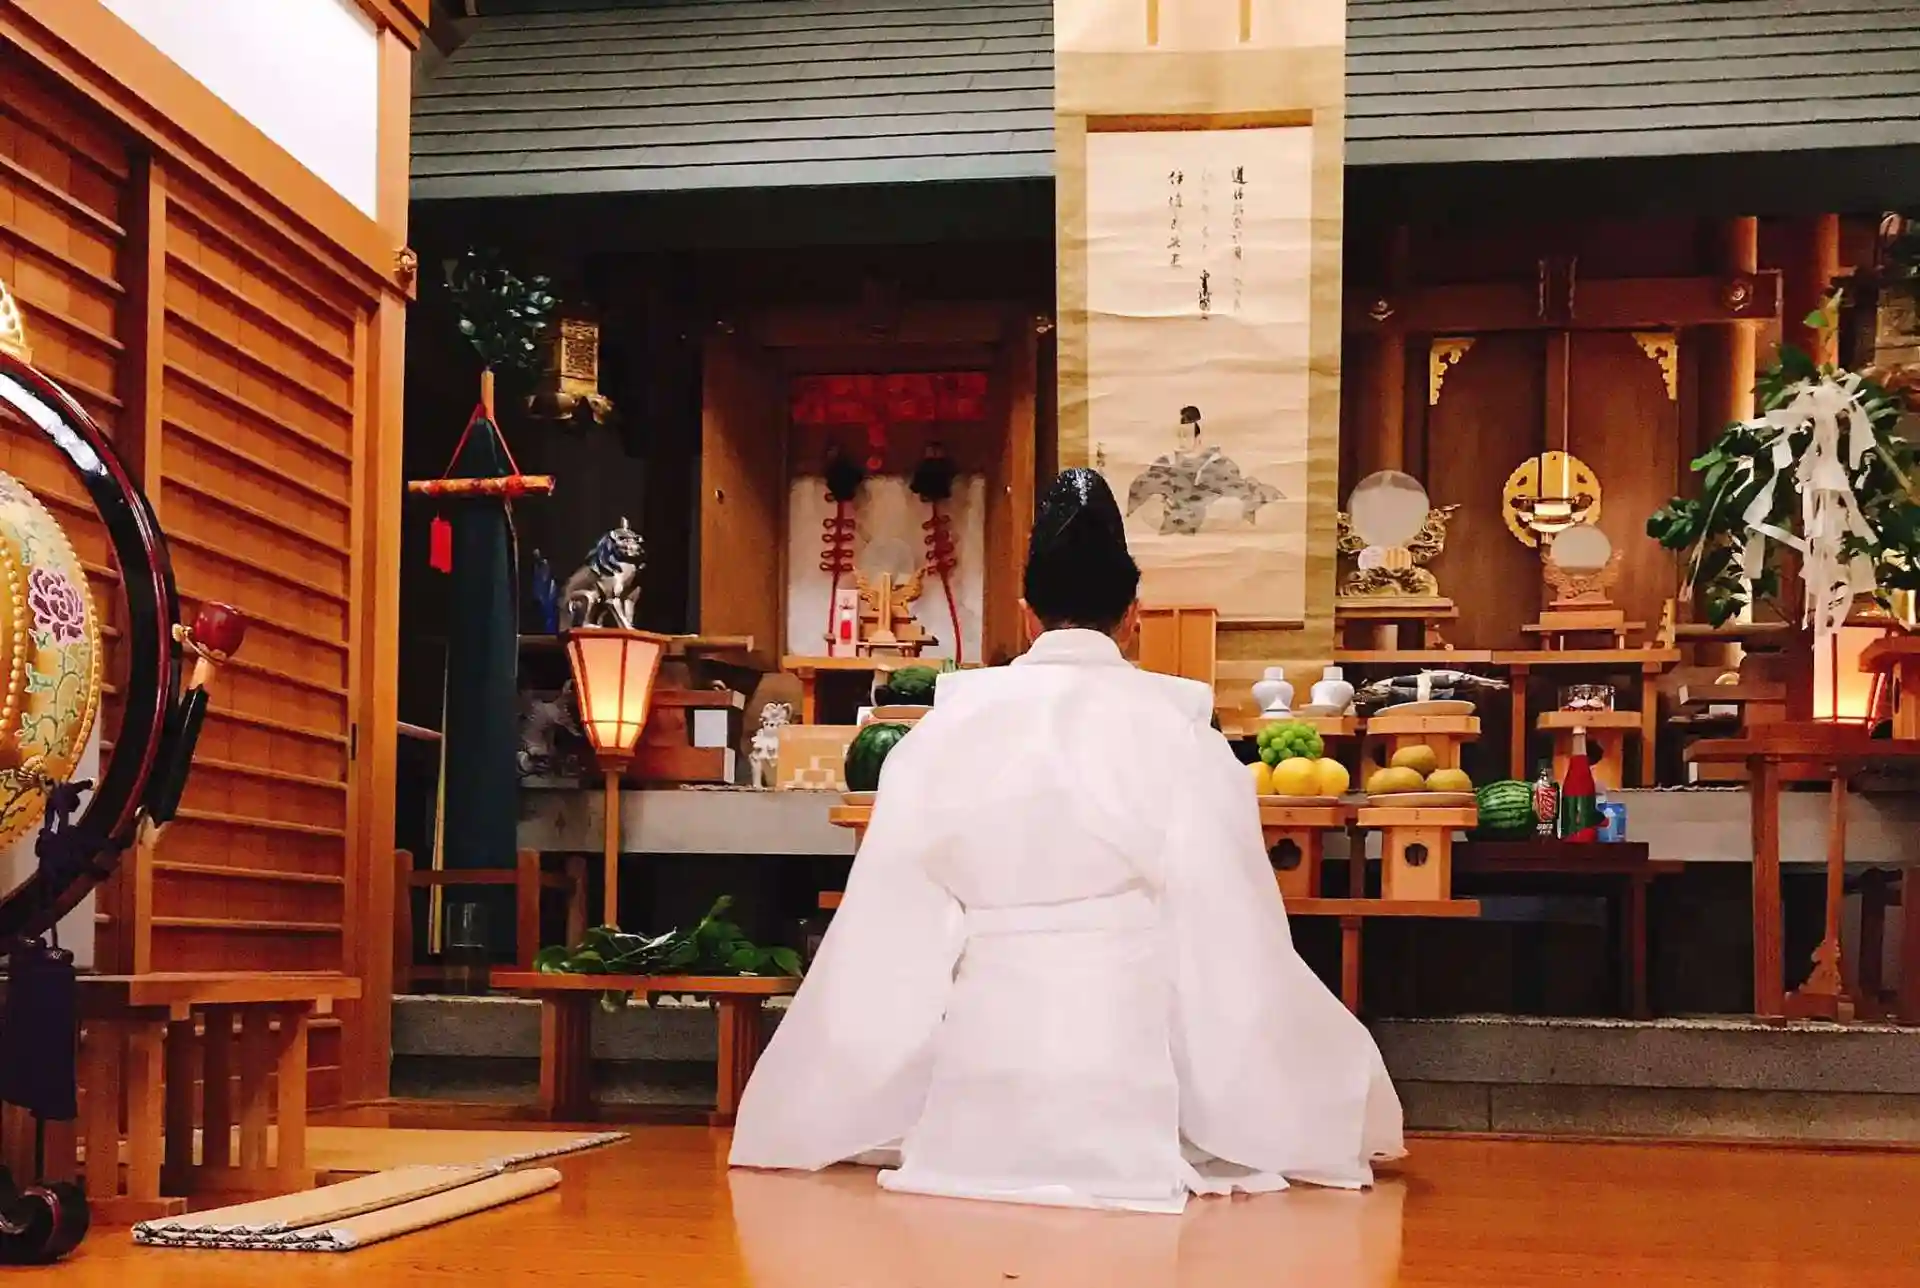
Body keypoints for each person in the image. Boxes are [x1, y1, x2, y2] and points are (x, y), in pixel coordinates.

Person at [729, 469, 1403, 1213]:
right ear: (1133, 618)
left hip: (980, 1069)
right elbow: (1229, 931)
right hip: (1128, 1055)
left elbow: (889, 930)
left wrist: (837, 1092)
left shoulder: (942, 733)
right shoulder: (1181, 732)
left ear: (1027, 618)